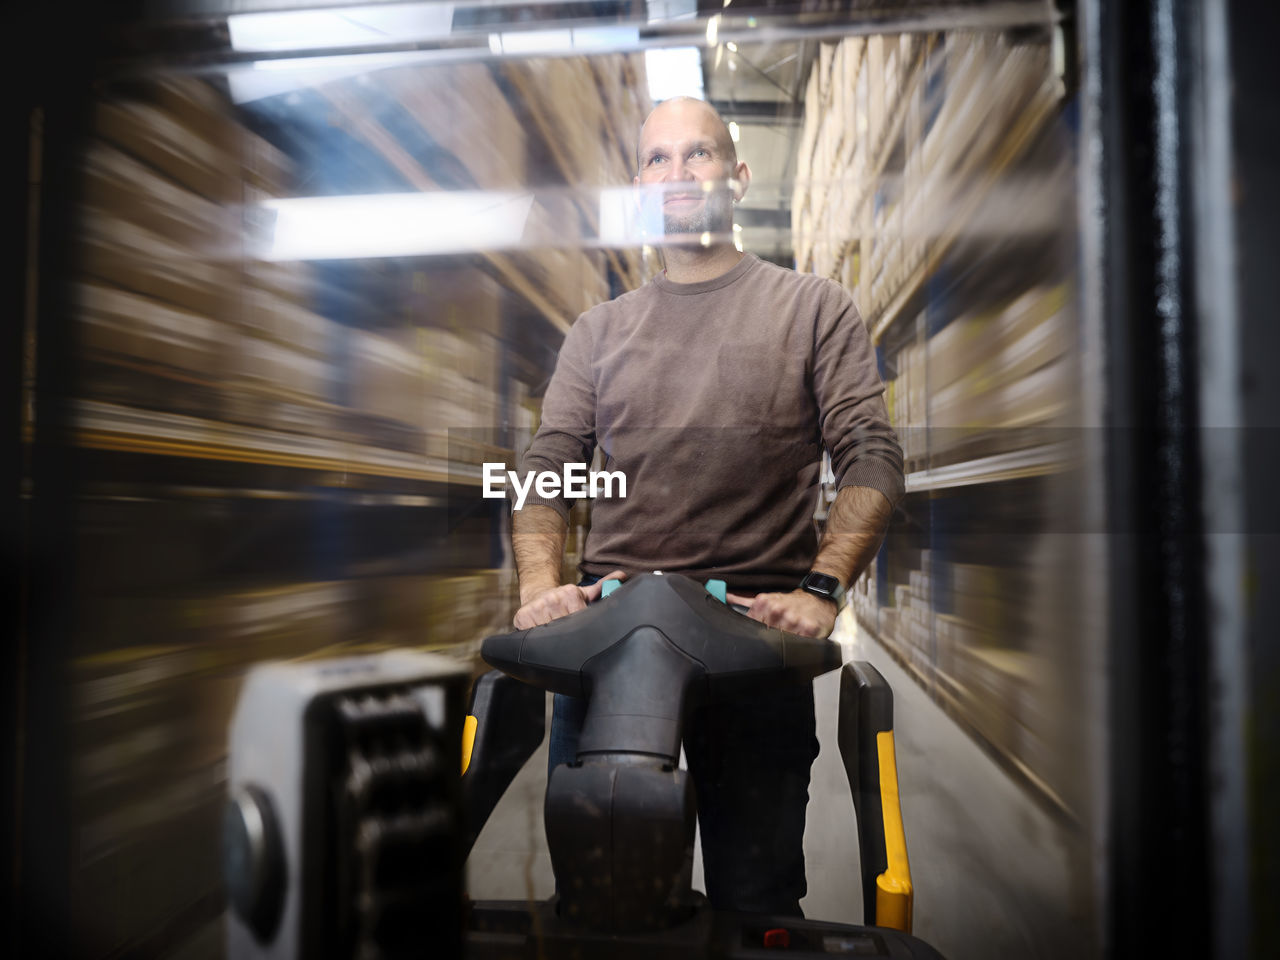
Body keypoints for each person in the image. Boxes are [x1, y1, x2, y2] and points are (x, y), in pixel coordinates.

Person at [509, 97, 904, 916]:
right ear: (640, 185)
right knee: (601, 899)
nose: (679, 174)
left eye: (699, 155)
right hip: (611, 642)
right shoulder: (597, 332)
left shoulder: (813, 308)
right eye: (659, 159)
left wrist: (822, 589)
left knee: (753, 900)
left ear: (738, 175)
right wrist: (538, 586)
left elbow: (870, 453)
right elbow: (550, 466)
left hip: (751, 641)